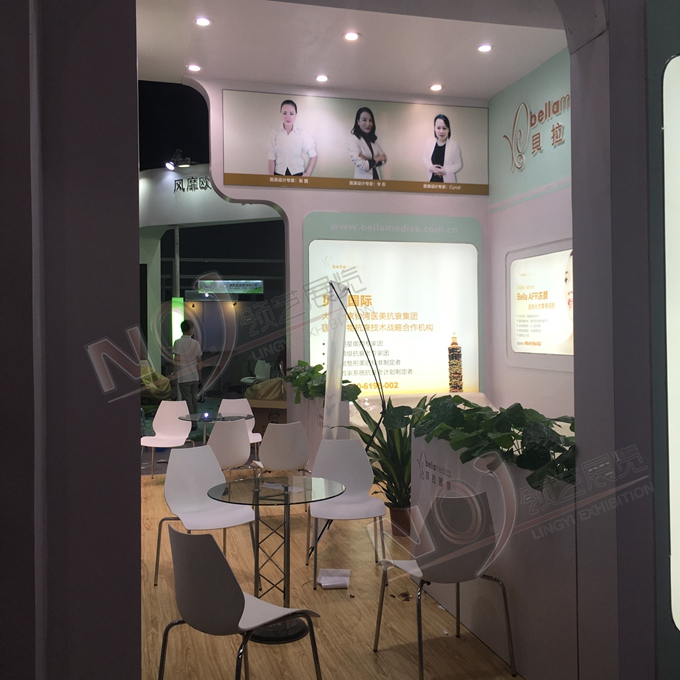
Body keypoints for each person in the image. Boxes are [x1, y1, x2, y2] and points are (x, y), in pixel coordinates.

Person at [268, 99, 318, 176]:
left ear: (295, 114)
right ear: (281, 113)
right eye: (285, 113)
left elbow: (313, 154)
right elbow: (271, 156)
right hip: (279, 174)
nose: (288, 117)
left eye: (291, 113)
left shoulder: (301, 134)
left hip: (297, 173)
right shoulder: (275, 134)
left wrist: (308, 173)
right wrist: (270, 177)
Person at [171, 319, 202, 428]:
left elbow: (177, 359)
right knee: (194, 400)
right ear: (190, 330)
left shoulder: (178, 342)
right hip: (195, 376)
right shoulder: (196, 343)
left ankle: (191, 423)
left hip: (184, 377)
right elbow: (199, 361)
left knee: (187, 400)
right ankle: (195, 421)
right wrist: (200, 375)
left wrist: (174, 372)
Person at [348, 107, 387, 179]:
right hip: (363, 182)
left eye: (370, 120)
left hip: (376, 179)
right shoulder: (354, 140)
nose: (368, 123)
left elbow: (383, 159)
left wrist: (367, 160)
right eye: (364, 120)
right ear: (358, 122)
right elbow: (363, 165)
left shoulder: (373, 140)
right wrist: (378, 158)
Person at [422, 114, 462, 182]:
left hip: (447, 182)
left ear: (448, 129)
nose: (441, 131)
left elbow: (458, 164)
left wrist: (446, 170)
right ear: (434, 128)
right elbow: (425, 158)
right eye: (438, 128)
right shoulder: (429, 141)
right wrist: (430, 167)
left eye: (444, 128)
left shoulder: (454, 145)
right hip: (432, 181)